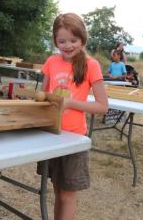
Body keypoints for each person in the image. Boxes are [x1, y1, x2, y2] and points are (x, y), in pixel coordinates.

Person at [40, 13, 108, 220]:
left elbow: (102, 106)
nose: (67, 45)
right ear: (55, 41)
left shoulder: (91, 65)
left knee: (68, 195)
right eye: (62, 41)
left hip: (74, 139)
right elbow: (43, 96)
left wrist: (69, 103)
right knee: (58, 191)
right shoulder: (51, 62)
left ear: (82, 39)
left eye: (73, 40)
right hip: (52, 134)